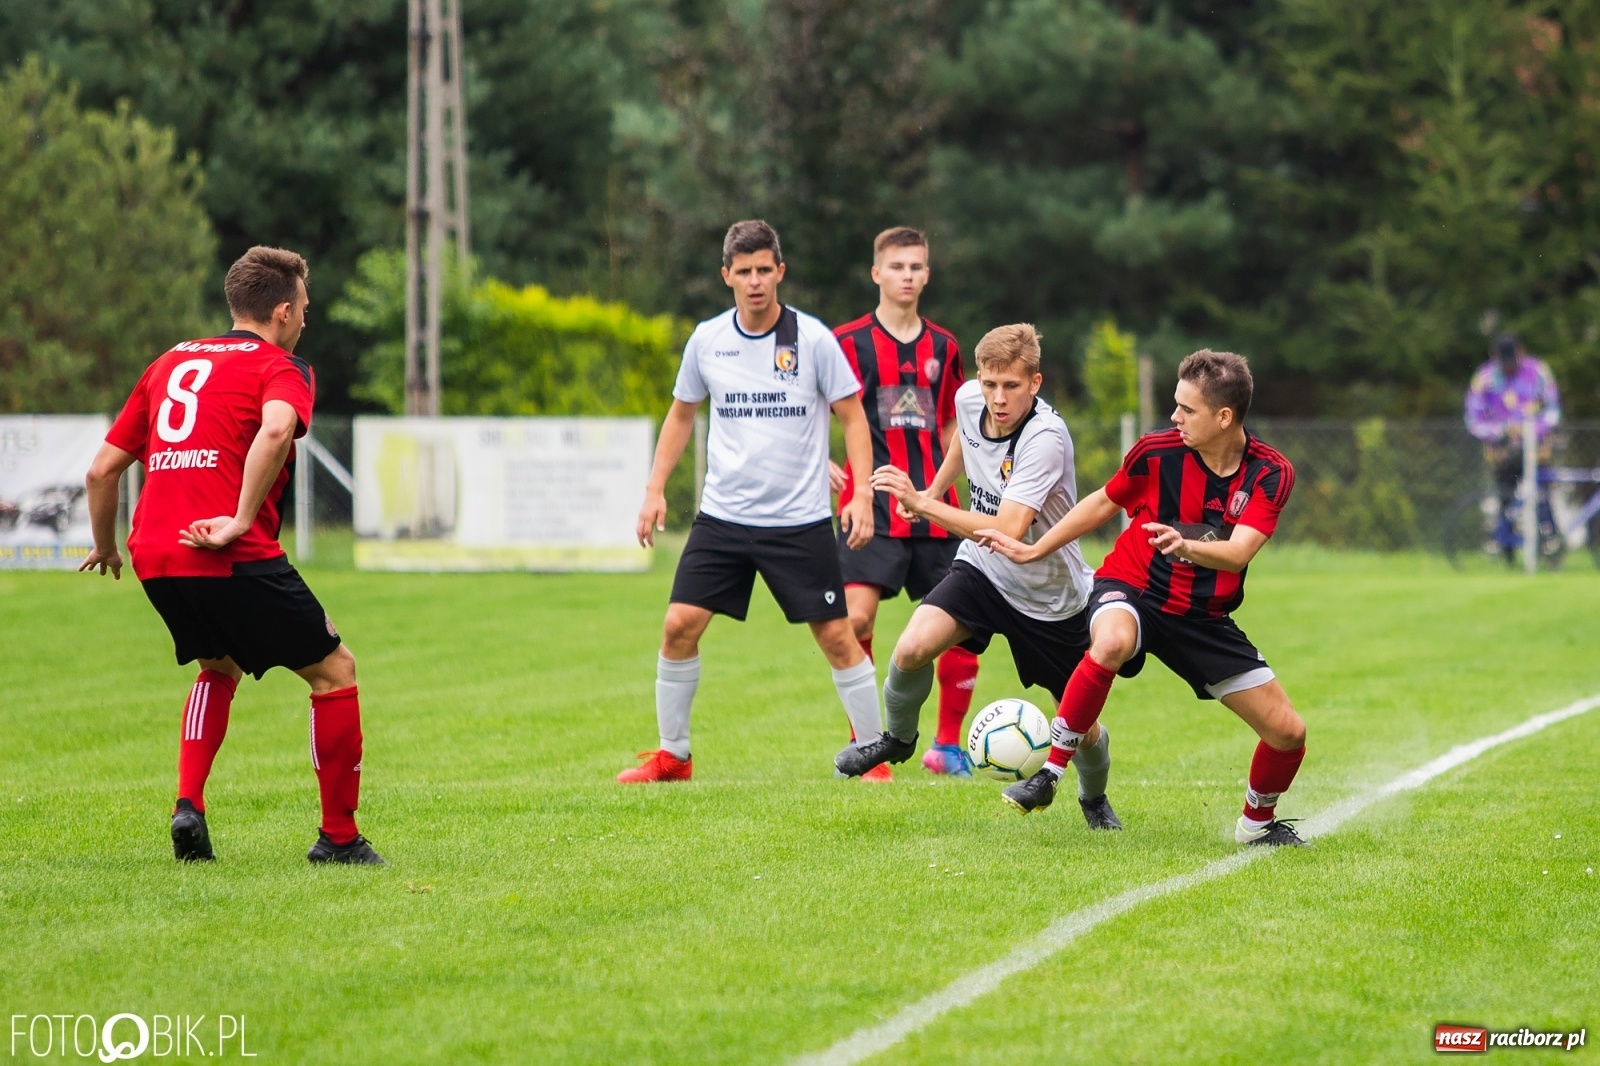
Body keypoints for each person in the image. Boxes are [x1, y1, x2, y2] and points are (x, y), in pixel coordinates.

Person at [79, 246, 382, 865]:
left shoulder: (171, 361)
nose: (305, 319)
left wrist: (105, 546)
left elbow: (101, 471)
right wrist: (240, 519)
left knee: (218, 665)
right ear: (280, 310)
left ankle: (188, 805)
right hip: (226, 547)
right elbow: (275, 430)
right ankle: (340, 839)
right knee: (335, 671)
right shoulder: (283, 366)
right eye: (302, 307)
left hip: (155, 554)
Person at [978, 349, 1307, 847]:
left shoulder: (1270, 472)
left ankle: (1256, 825)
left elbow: (1238, 554)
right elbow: (1105, 501)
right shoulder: (1157, 451)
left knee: (1288, 733)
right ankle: (1049, 774)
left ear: (1224, 417)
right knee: (1109, 642)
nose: (1174, 417)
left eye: (1187, 409)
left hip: (1203, 616)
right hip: (1131, 588)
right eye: (1174, 405)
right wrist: (1035, 547)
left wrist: (1186, 546)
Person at [832, 324, 1122, 830]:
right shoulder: (970, 400)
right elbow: (964, 446)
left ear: (1035, 382)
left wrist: (924, 504)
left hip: (1051, 596)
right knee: (911, 648)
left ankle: (1093, 799)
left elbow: (1009, 527)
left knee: (1082, 726)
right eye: (990, 384)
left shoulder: (1046, 438)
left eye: (1011, 386)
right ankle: (898, 740)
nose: (997, 398)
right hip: (984, 571)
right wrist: (937, 490)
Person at [623, 220, 882, 782]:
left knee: (838, 637)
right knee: (677, 627)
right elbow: (681, 415)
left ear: (780, 271)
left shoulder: (813, 340)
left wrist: (861, 493)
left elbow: (854, 418)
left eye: (765, 269)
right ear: (727, 277)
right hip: (724, 519)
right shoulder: (707, 339)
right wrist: (653, 490)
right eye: (744, 271)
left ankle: (871, 758)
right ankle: (674, 756)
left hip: (799, 521)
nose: (756, 281)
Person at [829, 227, 980, 780]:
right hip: (867, 505)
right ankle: (867, 742)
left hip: (934, 507)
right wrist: (830, 473)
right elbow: (813, 413)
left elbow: (952, 427)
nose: (908, 276)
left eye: (916, 266)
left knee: (963, 620)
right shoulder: (847, 343)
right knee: (856, 616)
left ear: (927, 274)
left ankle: (946, 747)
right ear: (876, 273)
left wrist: (945, 491)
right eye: (897, 266)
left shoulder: (945, 347)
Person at [1465, 332, 1563, 562]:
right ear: (1494, 355)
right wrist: (1498, 433)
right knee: (1505, 500)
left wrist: (1532, 432)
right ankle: (1506, 552)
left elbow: (1552, 411)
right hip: (1502, 454)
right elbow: (1473, 418)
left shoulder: (1538, 372)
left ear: (1522, 352)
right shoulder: (1485, 378)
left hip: (1536, 450)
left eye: (1514, 360)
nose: (1510, 366)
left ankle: (1550, 548)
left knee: (1543, 499)